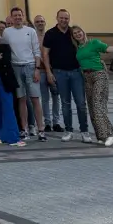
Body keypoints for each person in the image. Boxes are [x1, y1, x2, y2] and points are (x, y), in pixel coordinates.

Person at [42, 9, 90, 142]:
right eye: (61, 18)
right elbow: (45, 54)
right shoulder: (50, 33)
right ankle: (68, 130)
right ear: (57, 18)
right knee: (65, 103)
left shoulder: (72, 32)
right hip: (59, 72)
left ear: (69, 19)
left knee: (81, 103)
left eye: (66, 18)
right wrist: (48, 72)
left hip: (76, 72)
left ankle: (84, 131)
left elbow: (84, 46)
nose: (64, 20)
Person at [0, 7, 46, 141]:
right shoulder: (7, 32)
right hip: (16, 67)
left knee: (35, 98)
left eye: (20, 15)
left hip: (30, 66)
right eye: (15, 16)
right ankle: (24, 129)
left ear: (23, 16)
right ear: (11, 18)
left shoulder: (30, 31)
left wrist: (37, 69)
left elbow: (36, 51)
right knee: (21, 99)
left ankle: (41, 129)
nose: (18, 18)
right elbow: (4, 49)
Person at [72, 26, 113, 146]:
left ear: (83, 32)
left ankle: (110, 133)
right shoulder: (78, 48)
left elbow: (107, 48)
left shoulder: (94, 43)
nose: (77, 34)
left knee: (97, 104)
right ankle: (101, 136)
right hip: (86, 77)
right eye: (75, 33)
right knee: (92, 107)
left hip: (99, 74)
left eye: (79, 32)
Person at [34, 14, 63, 132]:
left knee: (56, 96)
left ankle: (56, 122)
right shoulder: (33, 37)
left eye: (42, 21)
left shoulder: (50, 35)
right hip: (40, 71)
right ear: (35, 24)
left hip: (53, 70)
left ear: (45, 23)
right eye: (38, 22)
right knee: (45, 98)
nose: (40, 23)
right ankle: (47, 122)